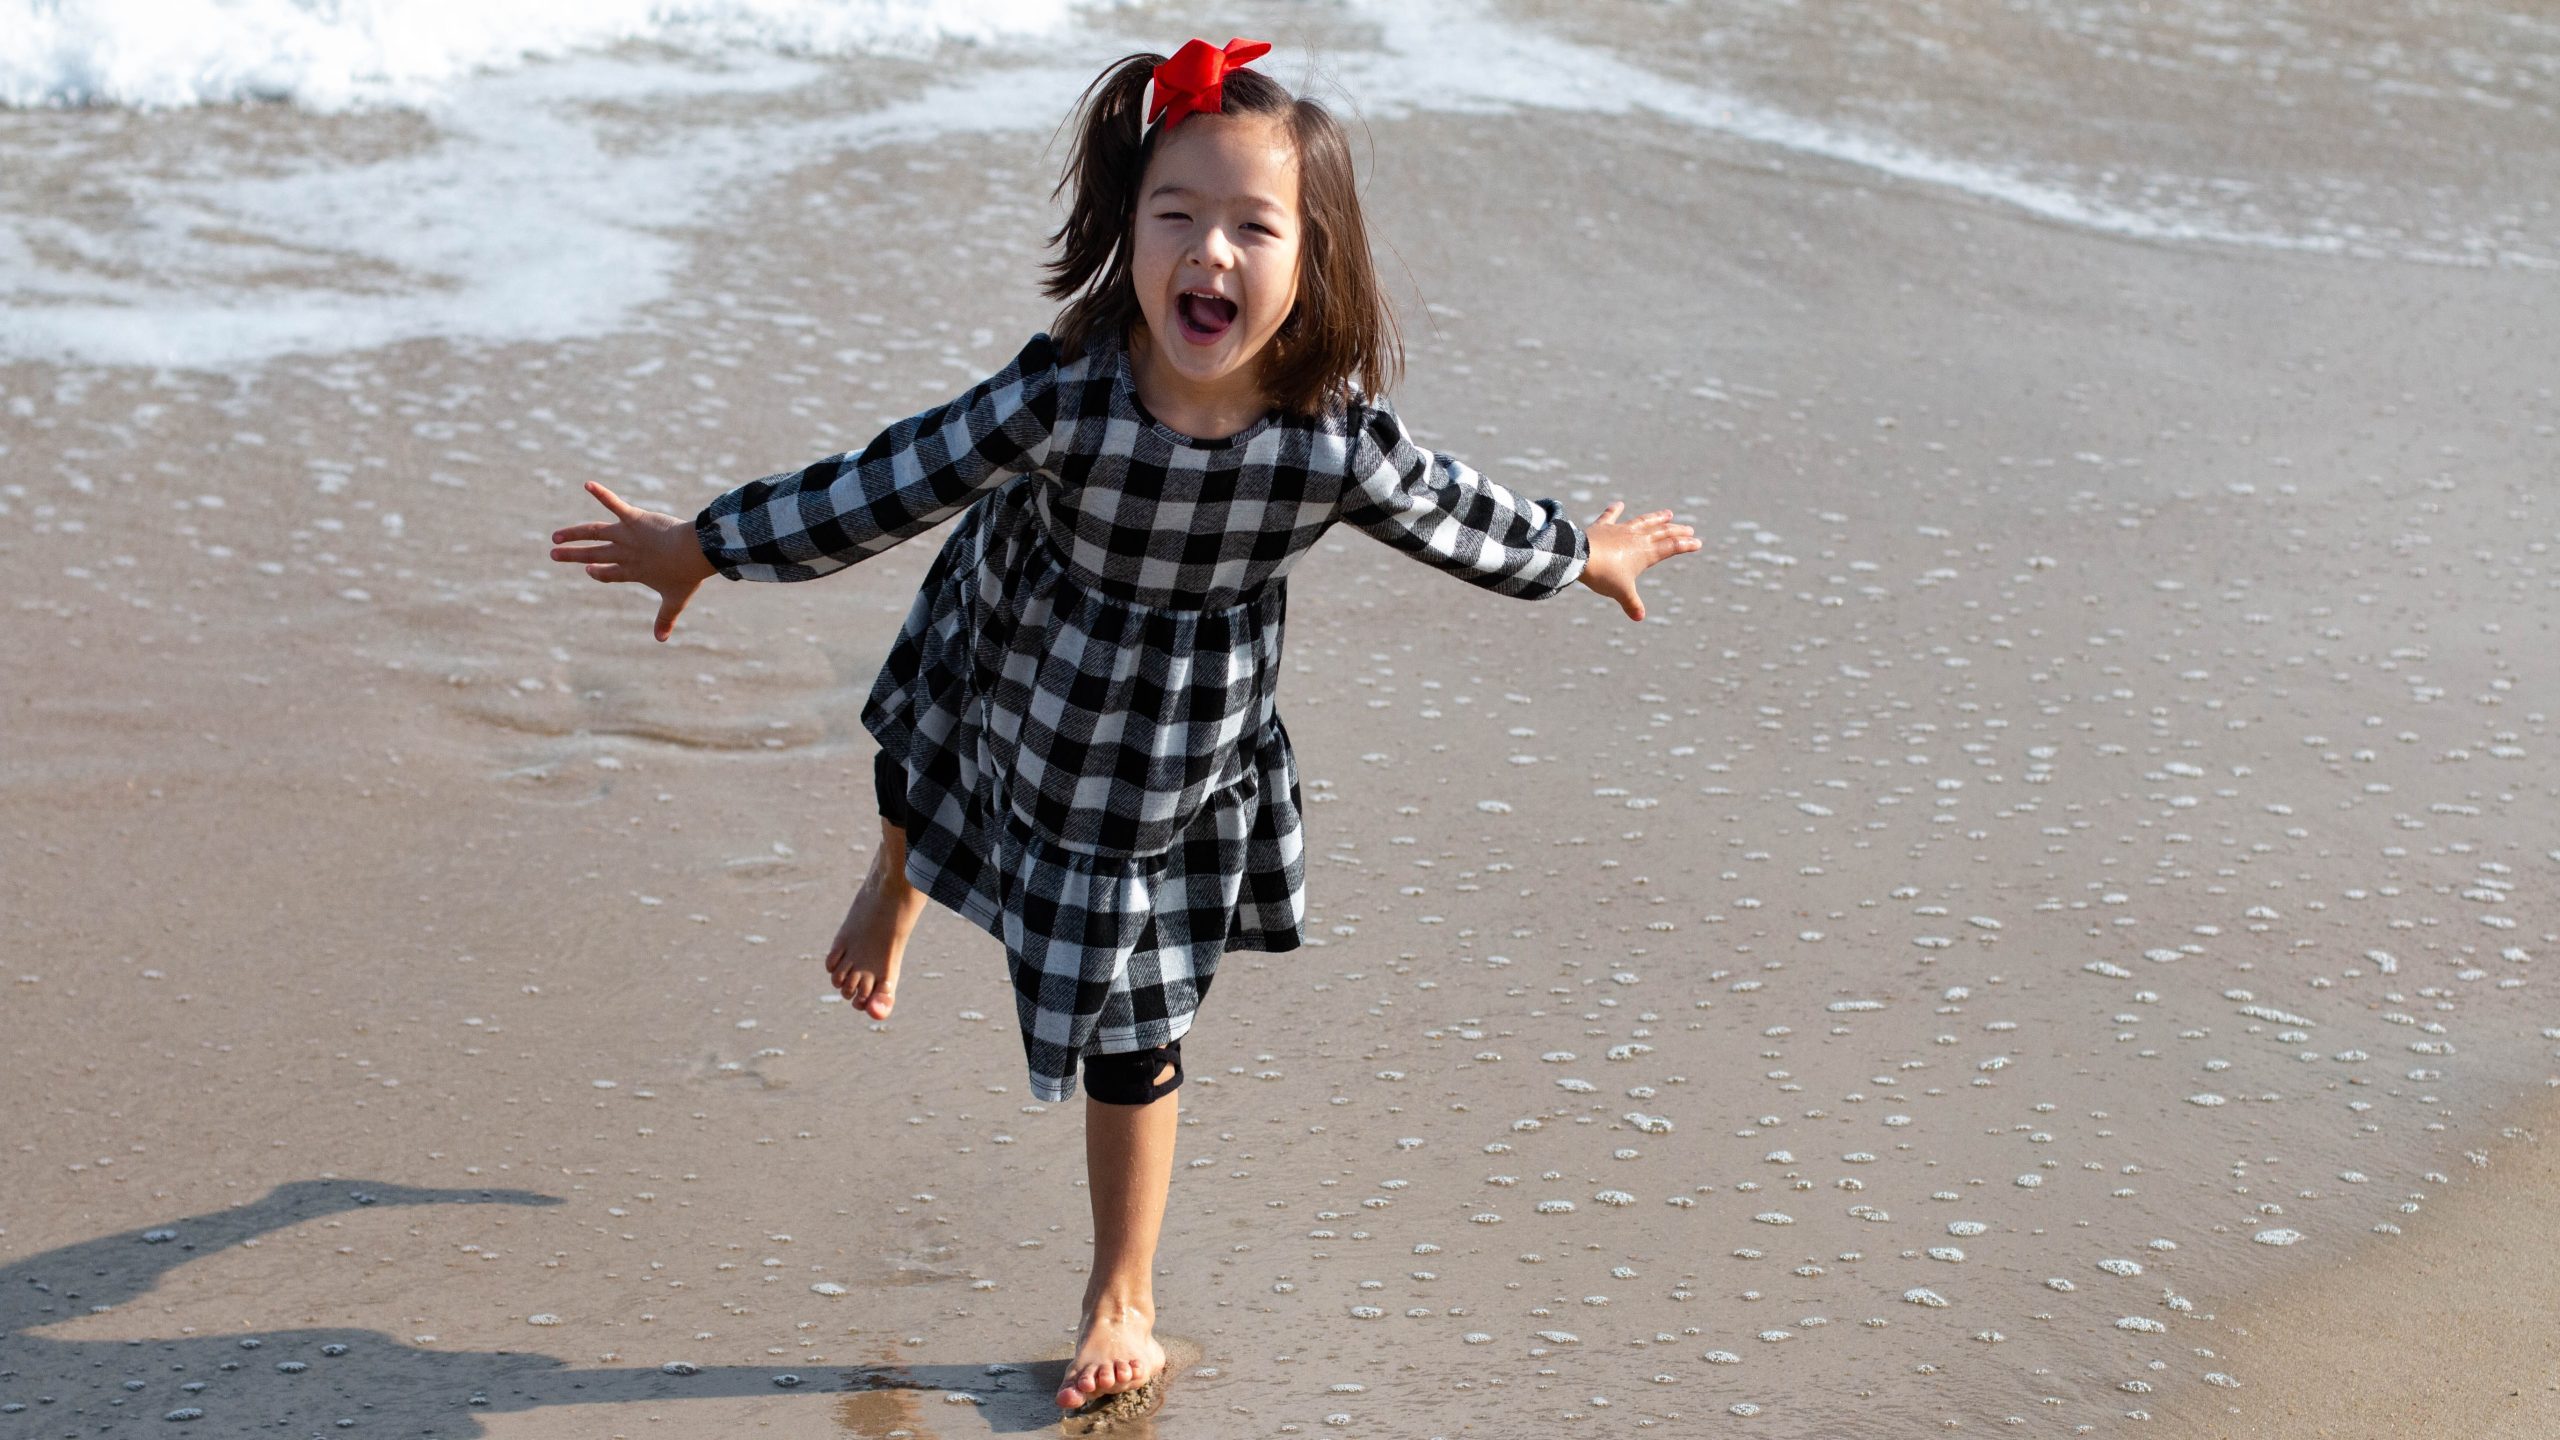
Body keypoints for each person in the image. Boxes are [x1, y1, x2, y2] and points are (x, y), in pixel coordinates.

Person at [547, 36, 1700, 1416]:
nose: (1210, 252)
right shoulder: (1065, 395)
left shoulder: (1331, 439)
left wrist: (1581, 554)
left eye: (1252, 226)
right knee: (929, 752)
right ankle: (896, 880)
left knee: (1137, 1022)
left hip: (1169, 761)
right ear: (1129, 235)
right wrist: (710, 547)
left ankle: (1122, 1294)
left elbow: (1465, 516)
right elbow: (886, 481)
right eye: (1177, 217)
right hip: (1018, 650)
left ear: (1313, 257)